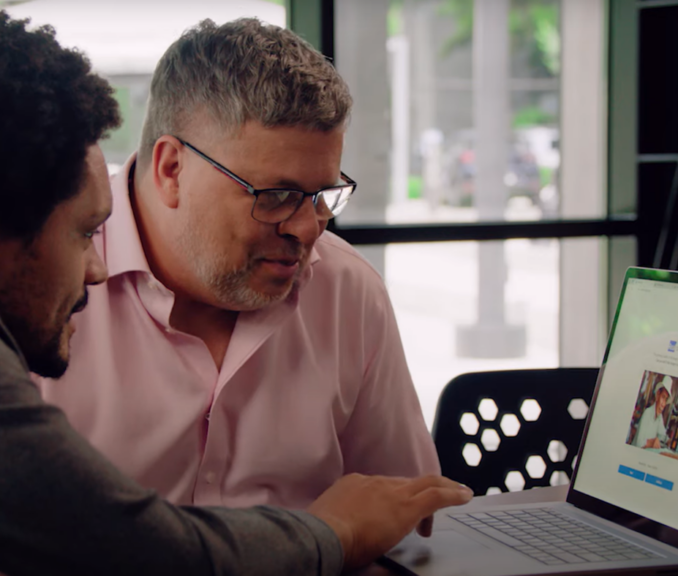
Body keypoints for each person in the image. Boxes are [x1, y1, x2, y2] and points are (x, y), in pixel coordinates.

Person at [0, 6, 472, 576]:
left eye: (321, 195)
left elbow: (408, 518)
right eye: (83, 235)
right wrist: (329, 535)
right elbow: (129, 546)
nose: (99, 269)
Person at [40, 17, 440, 509]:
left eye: (323, 195)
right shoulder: (42, 279)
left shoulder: (347, 290)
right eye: (277, 195)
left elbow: (404, 511)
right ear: (171, 169)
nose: (307, 228)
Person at [633, 377, 671, 449]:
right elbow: (639, 443)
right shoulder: (647, 413)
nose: (663, 404)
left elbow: (662, 435)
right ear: (657, 395)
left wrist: (668, 440)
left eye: (666, 400)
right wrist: (652, 442)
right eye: (663, 397)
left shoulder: (659, 417)